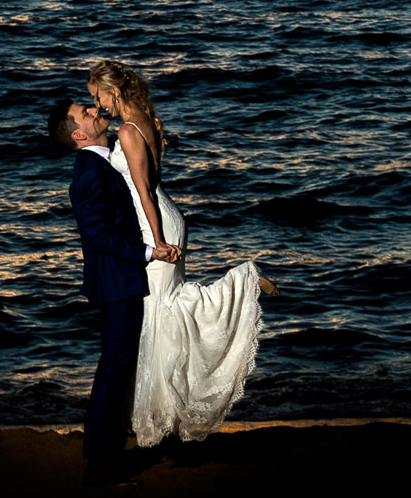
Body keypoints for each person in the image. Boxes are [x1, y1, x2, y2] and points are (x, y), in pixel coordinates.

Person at [85, 59, 274, 448]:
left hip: (156, 224)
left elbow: (143, 191)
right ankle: (153, 419)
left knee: (164, 310)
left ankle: (243, 283)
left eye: (98, 96)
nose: (98, 104)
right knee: (158, 314)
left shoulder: (128, 129)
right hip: (164, 218)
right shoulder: (145, 120)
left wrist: (157, 244)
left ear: (113, 91)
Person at [48, 99, 182, 488]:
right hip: (116, 280)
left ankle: (105, 455)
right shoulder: (87, 172)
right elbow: (99, 237)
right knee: (114, 367)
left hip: (122, 278)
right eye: (84, 114)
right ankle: (99, 464)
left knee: (118, 366)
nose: (93, 111)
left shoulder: (103, 161)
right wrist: (149, 252)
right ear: (78, 134)